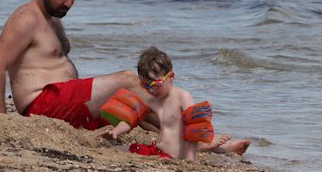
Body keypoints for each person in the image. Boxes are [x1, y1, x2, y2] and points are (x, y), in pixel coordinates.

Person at [0, 0, 250, 156]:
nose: (68, 3)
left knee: (134, 107)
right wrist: (1, 118)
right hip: (42, 103)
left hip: (65, 106)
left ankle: (195, 142)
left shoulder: (52, 17)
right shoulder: (26, 18)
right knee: (128, 79)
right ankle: (204, 138)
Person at [101, 47, 248, 159]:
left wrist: (190, 158)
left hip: (175, 156)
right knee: (116, 150)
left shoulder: (182, 97)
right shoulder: (152, 101)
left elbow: (193, 129)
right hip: (157, 151)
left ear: (170, 77)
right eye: (145, 85)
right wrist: (116, 132)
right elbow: (131, 118)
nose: (150, 90)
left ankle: (211, 148)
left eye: (155, 84)